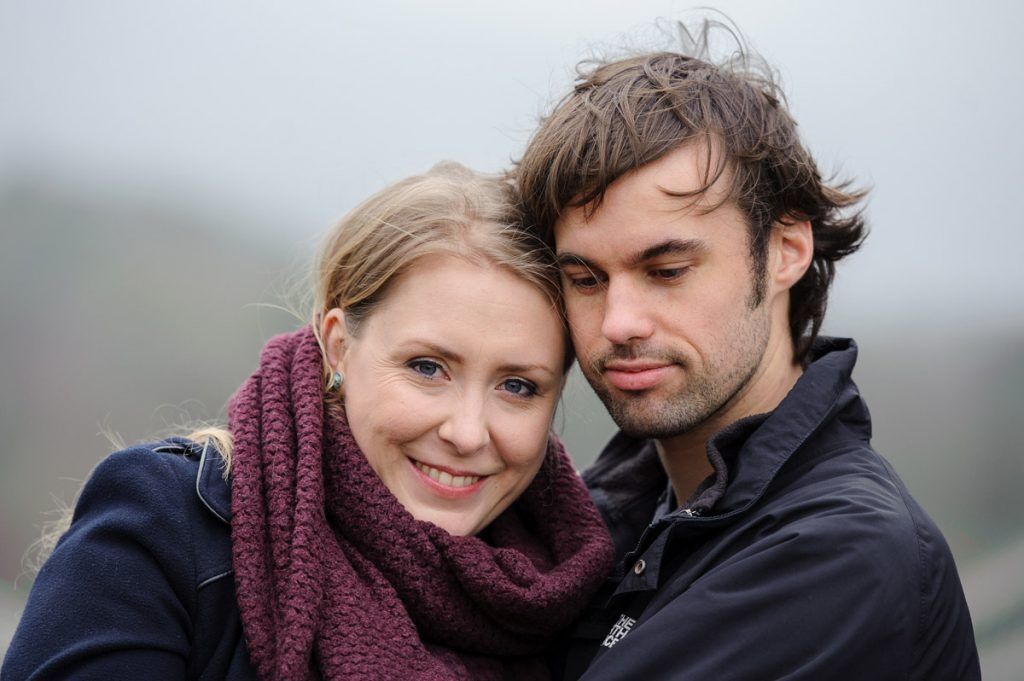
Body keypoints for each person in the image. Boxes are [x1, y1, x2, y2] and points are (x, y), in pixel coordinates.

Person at [2, 162, 614, 680]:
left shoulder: (579, 595)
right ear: (339, 346)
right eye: (428, 367)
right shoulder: (168, 527)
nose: (468, 432)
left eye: (517, 386)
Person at [514, 21, 981, 681]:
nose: (617, 323)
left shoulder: (843, 554)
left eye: (667, 270)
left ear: (786, 250)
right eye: (585, 279)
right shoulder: (597, 518)